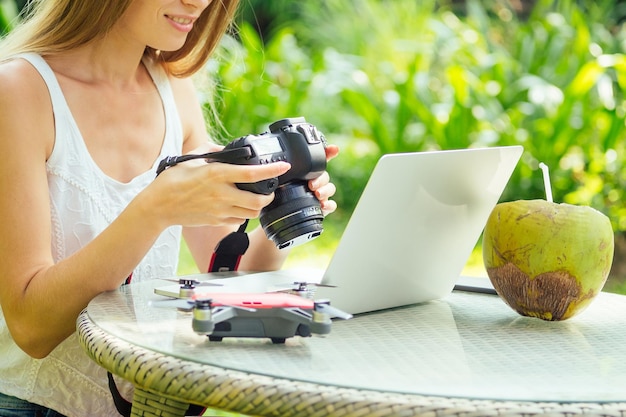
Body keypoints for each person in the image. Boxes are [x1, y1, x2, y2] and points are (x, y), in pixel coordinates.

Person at [0, 0, 339, 415]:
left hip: (149, 399)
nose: (199, 2)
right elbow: (31, 328)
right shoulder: (18, 91)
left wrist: (281, 206)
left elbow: (232, 275)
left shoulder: (172, 90)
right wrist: (154, 210)